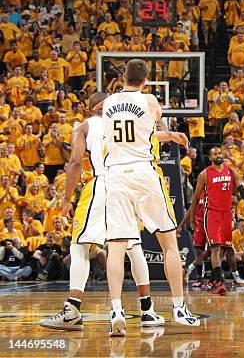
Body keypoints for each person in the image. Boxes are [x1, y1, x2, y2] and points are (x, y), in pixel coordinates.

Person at [39, 92, 182, 330]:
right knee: (133, 246)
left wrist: (66, 198)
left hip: (100, 184)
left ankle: (72, 310)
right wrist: (169, 135)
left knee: (79, 245)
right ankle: (147, 310)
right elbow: (149, 135)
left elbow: (75, 162)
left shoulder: (85, 125)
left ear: (91, 106)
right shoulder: (126, 120)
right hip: (126, 183)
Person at [102, 59, 199, 336]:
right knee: (169, 242)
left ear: (123, 77)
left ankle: (117, 310)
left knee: (117, 248)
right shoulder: (151, 101)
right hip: (144, 172)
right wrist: (169, 131)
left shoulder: (108, 104)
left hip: (116, 175)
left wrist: (166, 134)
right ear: (145, 81)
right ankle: (179, 308)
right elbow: (147, 125)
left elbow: (128, 123)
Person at [185, 147, 244, 295]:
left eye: (219, 153)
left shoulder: (231, 171)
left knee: (224, 249)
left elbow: (241, 189)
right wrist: (191, 220)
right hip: (212, 214)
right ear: (210, 158)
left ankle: (212, 280)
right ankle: (220, 283)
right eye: (215, 153)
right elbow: (195, 198)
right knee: (215, 248)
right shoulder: (204, 174)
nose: (218, 155)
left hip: (227, 214)